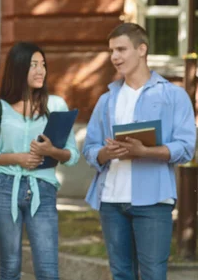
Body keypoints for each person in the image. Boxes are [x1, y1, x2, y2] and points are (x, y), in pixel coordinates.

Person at [83, 23, 195, 280]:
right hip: (111, 200)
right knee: (121, 273)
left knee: (154, 274)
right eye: (112, 51)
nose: (115, 57)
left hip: (154, 201)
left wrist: (145, 151)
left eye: (121, 49)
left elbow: (186, 147)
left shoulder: (173, 96)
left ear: (142, 49)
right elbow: (89, 148)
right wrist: (106, 153)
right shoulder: (107, 99)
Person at [0, 41, 79, 280]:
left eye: (43, 64)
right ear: (18, 68)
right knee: (10, 267)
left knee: (47, 268)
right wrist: (18, 158)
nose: (40, 70)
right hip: (3, 190)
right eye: (33, 65)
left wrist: (52, 150)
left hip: (42, 190)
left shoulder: (56, 105)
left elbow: (72, 156)